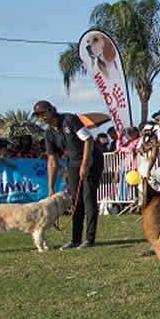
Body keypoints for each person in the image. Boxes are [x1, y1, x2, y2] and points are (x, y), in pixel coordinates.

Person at [35, 100, 102, 249]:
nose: (41, 117)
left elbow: (88, 140)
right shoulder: (49, 134)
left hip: (91, 158)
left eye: (43, 113)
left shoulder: (69, 120)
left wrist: (85, 164)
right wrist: (51, 188)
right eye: (38, 115)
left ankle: (90, 239)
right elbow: (52, 161)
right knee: (76, 200)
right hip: (73, 162)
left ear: (51, 110)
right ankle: (75, 239)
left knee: (88, 198)